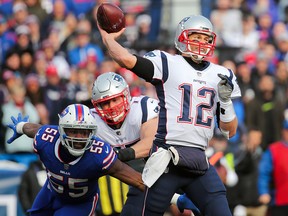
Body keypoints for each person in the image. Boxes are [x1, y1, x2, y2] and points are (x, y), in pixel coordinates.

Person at [97, 14, 241, 215]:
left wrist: (225, 101)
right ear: (181, 37)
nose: (201, 43)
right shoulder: (167, 63)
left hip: (199, 161)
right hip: (166, 159)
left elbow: (230, 131)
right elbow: (126, 59)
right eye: (196, 37)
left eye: (205, 39)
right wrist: (109, 39)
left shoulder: (221, 75)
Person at [90, 72, 199, 216]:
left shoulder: (141, 108)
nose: (111, 107)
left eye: (115, 100)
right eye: (105, 103)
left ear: (126, 95)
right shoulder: (91, 121)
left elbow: (150, 143)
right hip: (134, 181)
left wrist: (116, 155)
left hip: (167, 169)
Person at [6, 103, 145, 215]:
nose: (78, 138)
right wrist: (20, 127)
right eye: (73, 131)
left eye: (84, 132)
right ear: (61, 130)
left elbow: (138, 180)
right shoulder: (45, 140)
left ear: (92, 133)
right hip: (50, 193)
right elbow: (34, 129)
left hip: (79, 204)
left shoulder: (99, 155)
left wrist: (163, 192)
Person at [258, 115, 288, 216]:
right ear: (283, 131)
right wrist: (264, 192)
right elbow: (263, 173)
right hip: (279, 201)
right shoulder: (273, 150)